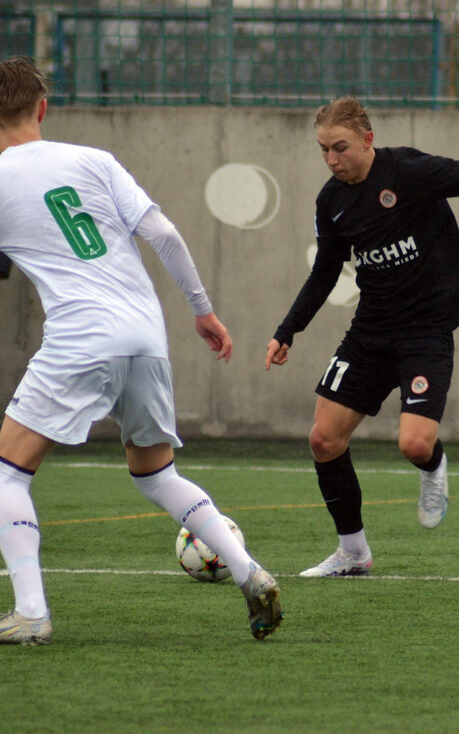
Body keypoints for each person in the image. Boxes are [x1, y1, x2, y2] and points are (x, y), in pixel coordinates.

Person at [0, 56, 282, 644]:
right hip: (146, 336)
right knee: (156, 475)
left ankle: (31, 613)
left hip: (81, 336)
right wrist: (202, 310)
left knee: (6, 475)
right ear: (43, 108)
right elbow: (164, 234)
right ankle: (248, 570)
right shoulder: (94, 160)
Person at [265, 95, 459, 577]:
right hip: (369, 333)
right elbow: (326, 271)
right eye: (323, 150)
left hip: (425, 334)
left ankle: (433, 469)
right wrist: (288, 330)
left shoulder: (408, 171)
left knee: (413, 444)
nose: (331, 159)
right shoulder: (331, 201)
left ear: (368, 141)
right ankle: (353, 553)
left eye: (340, 148)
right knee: (324, 439)